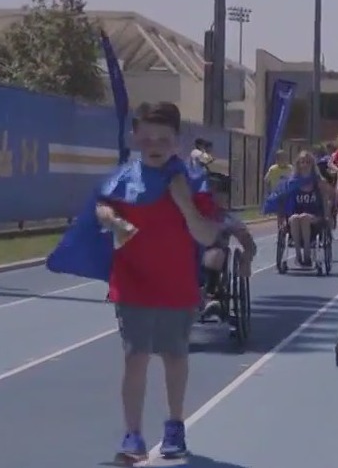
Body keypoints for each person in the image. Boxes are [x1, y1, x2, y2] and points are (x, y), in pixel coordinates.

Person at [96, 102, 223, 463]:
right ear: (135, 137)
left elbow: (206, 235)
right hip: (132, 281)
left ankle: (174, 426)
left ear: (176, 142)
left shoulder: (192, 180)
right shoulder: (123, 178)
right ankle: (132, 435)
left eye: (163, 138)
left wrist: (183, 202)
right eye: (147, 136)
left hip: (176, 284)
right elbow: (101, 207)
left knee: (174, 356)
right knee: (135, 357)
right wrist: (109, 218)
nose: (154, 143)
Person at [199, 173, 257, 326]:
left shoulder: (226, 219)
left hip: (212, 256)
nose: (214, 196)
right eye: (210, 192)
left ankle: (210, 297)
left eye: (218, 193)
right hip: (184, 257)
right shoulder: (187, 213)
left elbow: (248, 243)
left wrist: (247, 258)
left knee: (216, 254)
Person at [283, 151, 334, 266]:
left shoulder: (318, 182)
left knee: (304, 217)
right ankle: (298, 254)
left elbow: (326, 199)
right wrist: (281, 217)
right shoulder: (292, 182)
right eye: (302, 162)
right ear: (298, 164)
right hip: (295, 216)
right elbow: (284, 201)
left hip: (314, 217)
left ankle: (307, 253)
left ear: (312, 165)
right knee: (296, 218)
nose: (304, 165)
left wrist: (327, 216)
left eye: (307, 162)